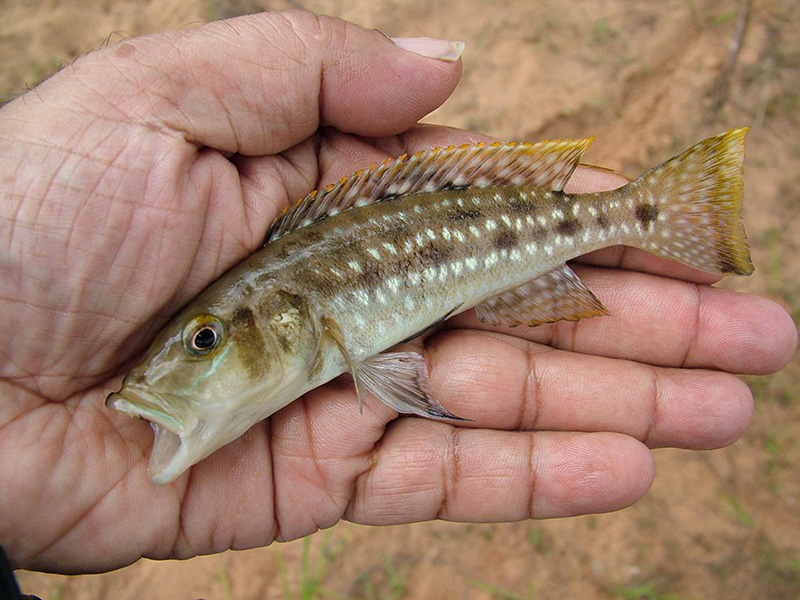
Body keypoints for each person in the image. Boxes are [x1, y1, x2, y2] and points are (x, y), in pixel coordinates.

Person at [0, 10, 795, 577]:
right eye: (203, 340)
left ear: (283, 320)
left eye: (205, 338)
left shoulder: (298, 300)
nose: (201, 345)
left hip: (515, 237)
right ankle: (652, 209)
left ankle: (654, 211)